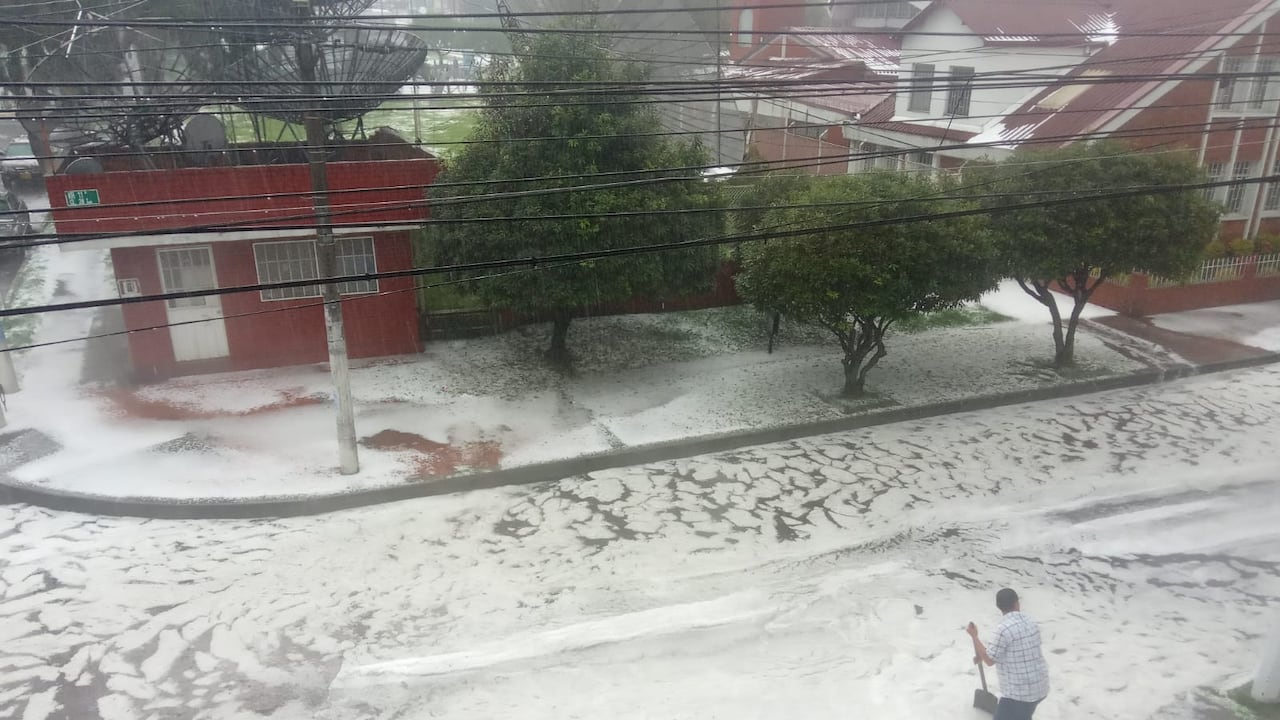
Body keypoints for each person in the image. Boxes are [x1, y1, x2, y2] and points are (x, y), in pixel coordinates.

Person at [966, 588, 1049, 720]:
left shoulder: (1003, 629)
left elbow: (989, 660)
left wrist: (974, 637)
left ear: (999, 607)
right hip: (1041, 687)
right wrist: (981, 654)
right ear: (1017, 603)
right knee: (1023, 715)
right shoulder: (1031, 623)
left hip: (1019, 695)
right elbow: (1019, 650)